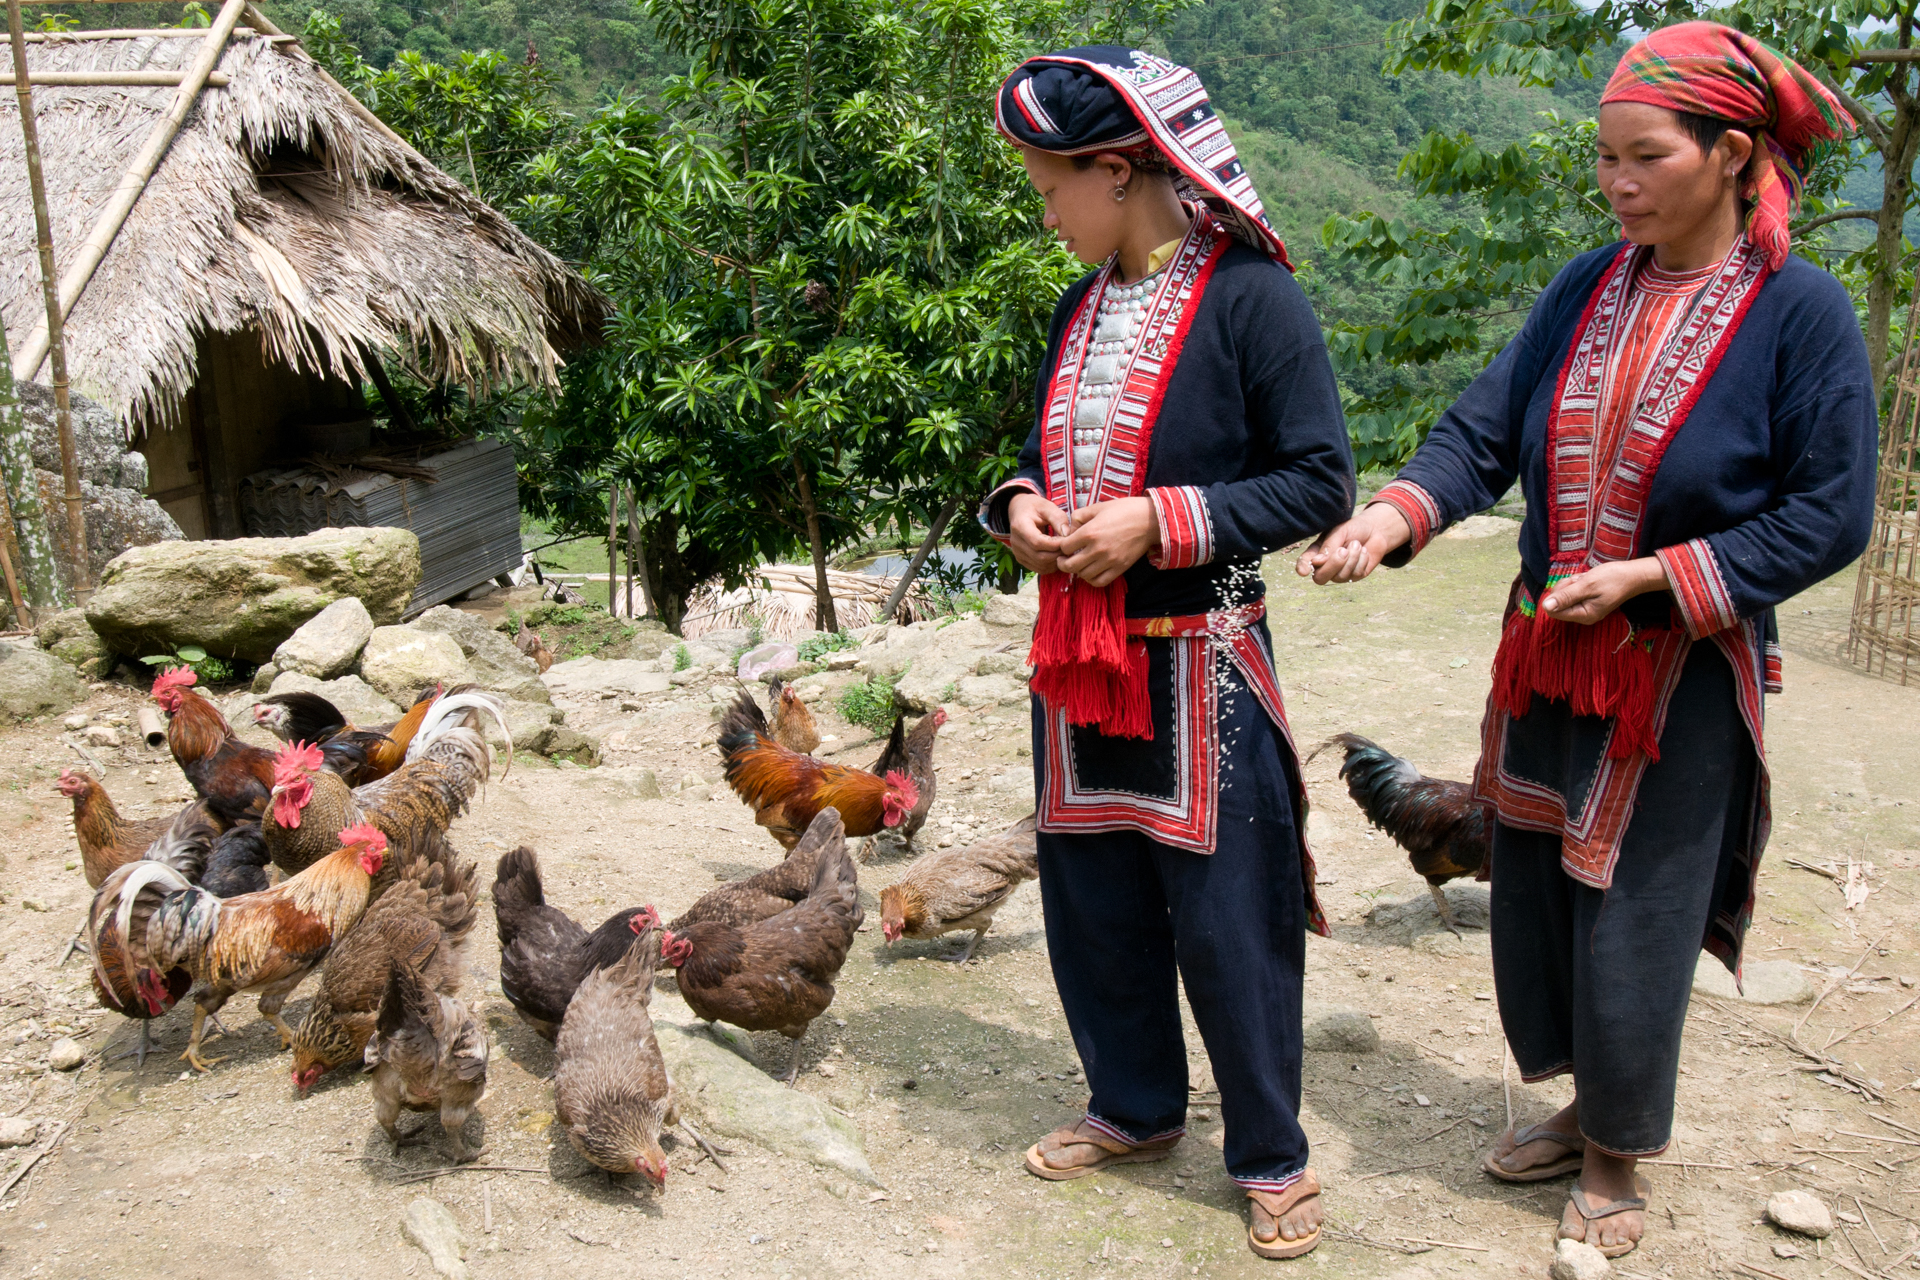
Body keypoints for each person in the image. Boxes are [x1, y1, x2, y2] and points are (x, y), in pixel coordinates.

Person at [1296, 21, 1876, 1259]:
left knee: (1639, 908)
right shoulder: (1587, 284)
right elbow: (1484, 426)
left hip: (1676, 670)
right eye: (1604, 159)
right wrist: (1396, 514)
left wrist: (1660, 577)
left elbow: (1831, 513)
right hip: (1547, 651)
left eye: (1643, 157)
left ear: (1730, 153)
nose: (1616, 182)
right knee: (1545, 888)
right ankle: (1576, 1101)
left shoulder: (1803, 315)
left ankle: (1616, 1152)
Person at [983, 46, 1355, 1261]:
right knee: (1093, 900)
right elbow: (1046, 455)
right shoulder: (1079, 304)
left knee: (1229, 916)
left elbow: (1317, 478)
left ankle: (1270, 1152)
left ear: (1118, 167)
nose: (1043, 210)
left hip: (1204, 655)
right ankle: (1136, 1105)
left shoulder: (1254, 298)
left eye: (1051, 185)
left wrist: (1164, 519)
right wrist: (1022, 509)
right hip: (1079, 660)